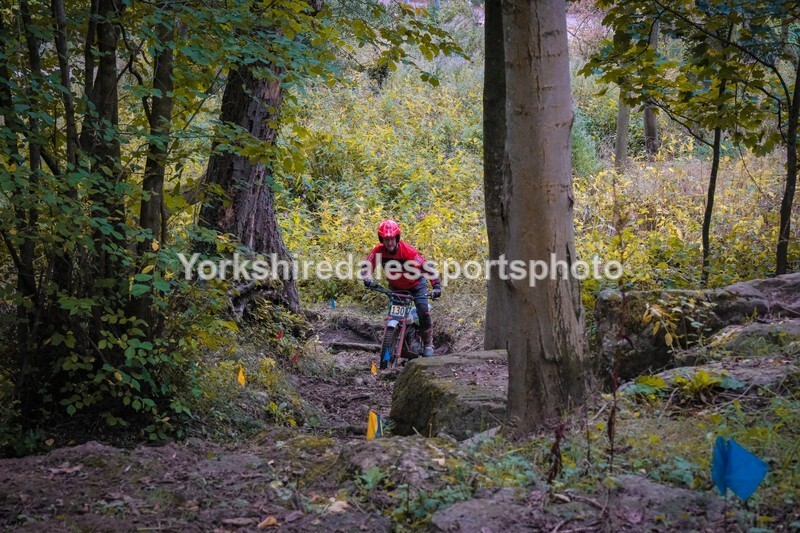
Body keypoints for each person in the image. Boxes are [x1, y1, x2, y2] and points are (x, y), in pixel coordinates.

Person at [362, 219, 441, 357]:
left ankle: (428, 343)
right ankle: (397, 342)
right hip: (396, 288)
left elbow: (427, 267)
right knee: (395, 316)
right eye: (386, 239)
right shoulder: (378, 251)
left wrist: (436, 286)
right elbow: (368, 265)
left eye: (392, 239)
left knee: (423, 311)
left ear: (397, 238)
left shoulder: (408, 251)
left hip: (416, 286)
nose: (390, 242)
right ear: (382, 239)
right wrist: (368, 277)